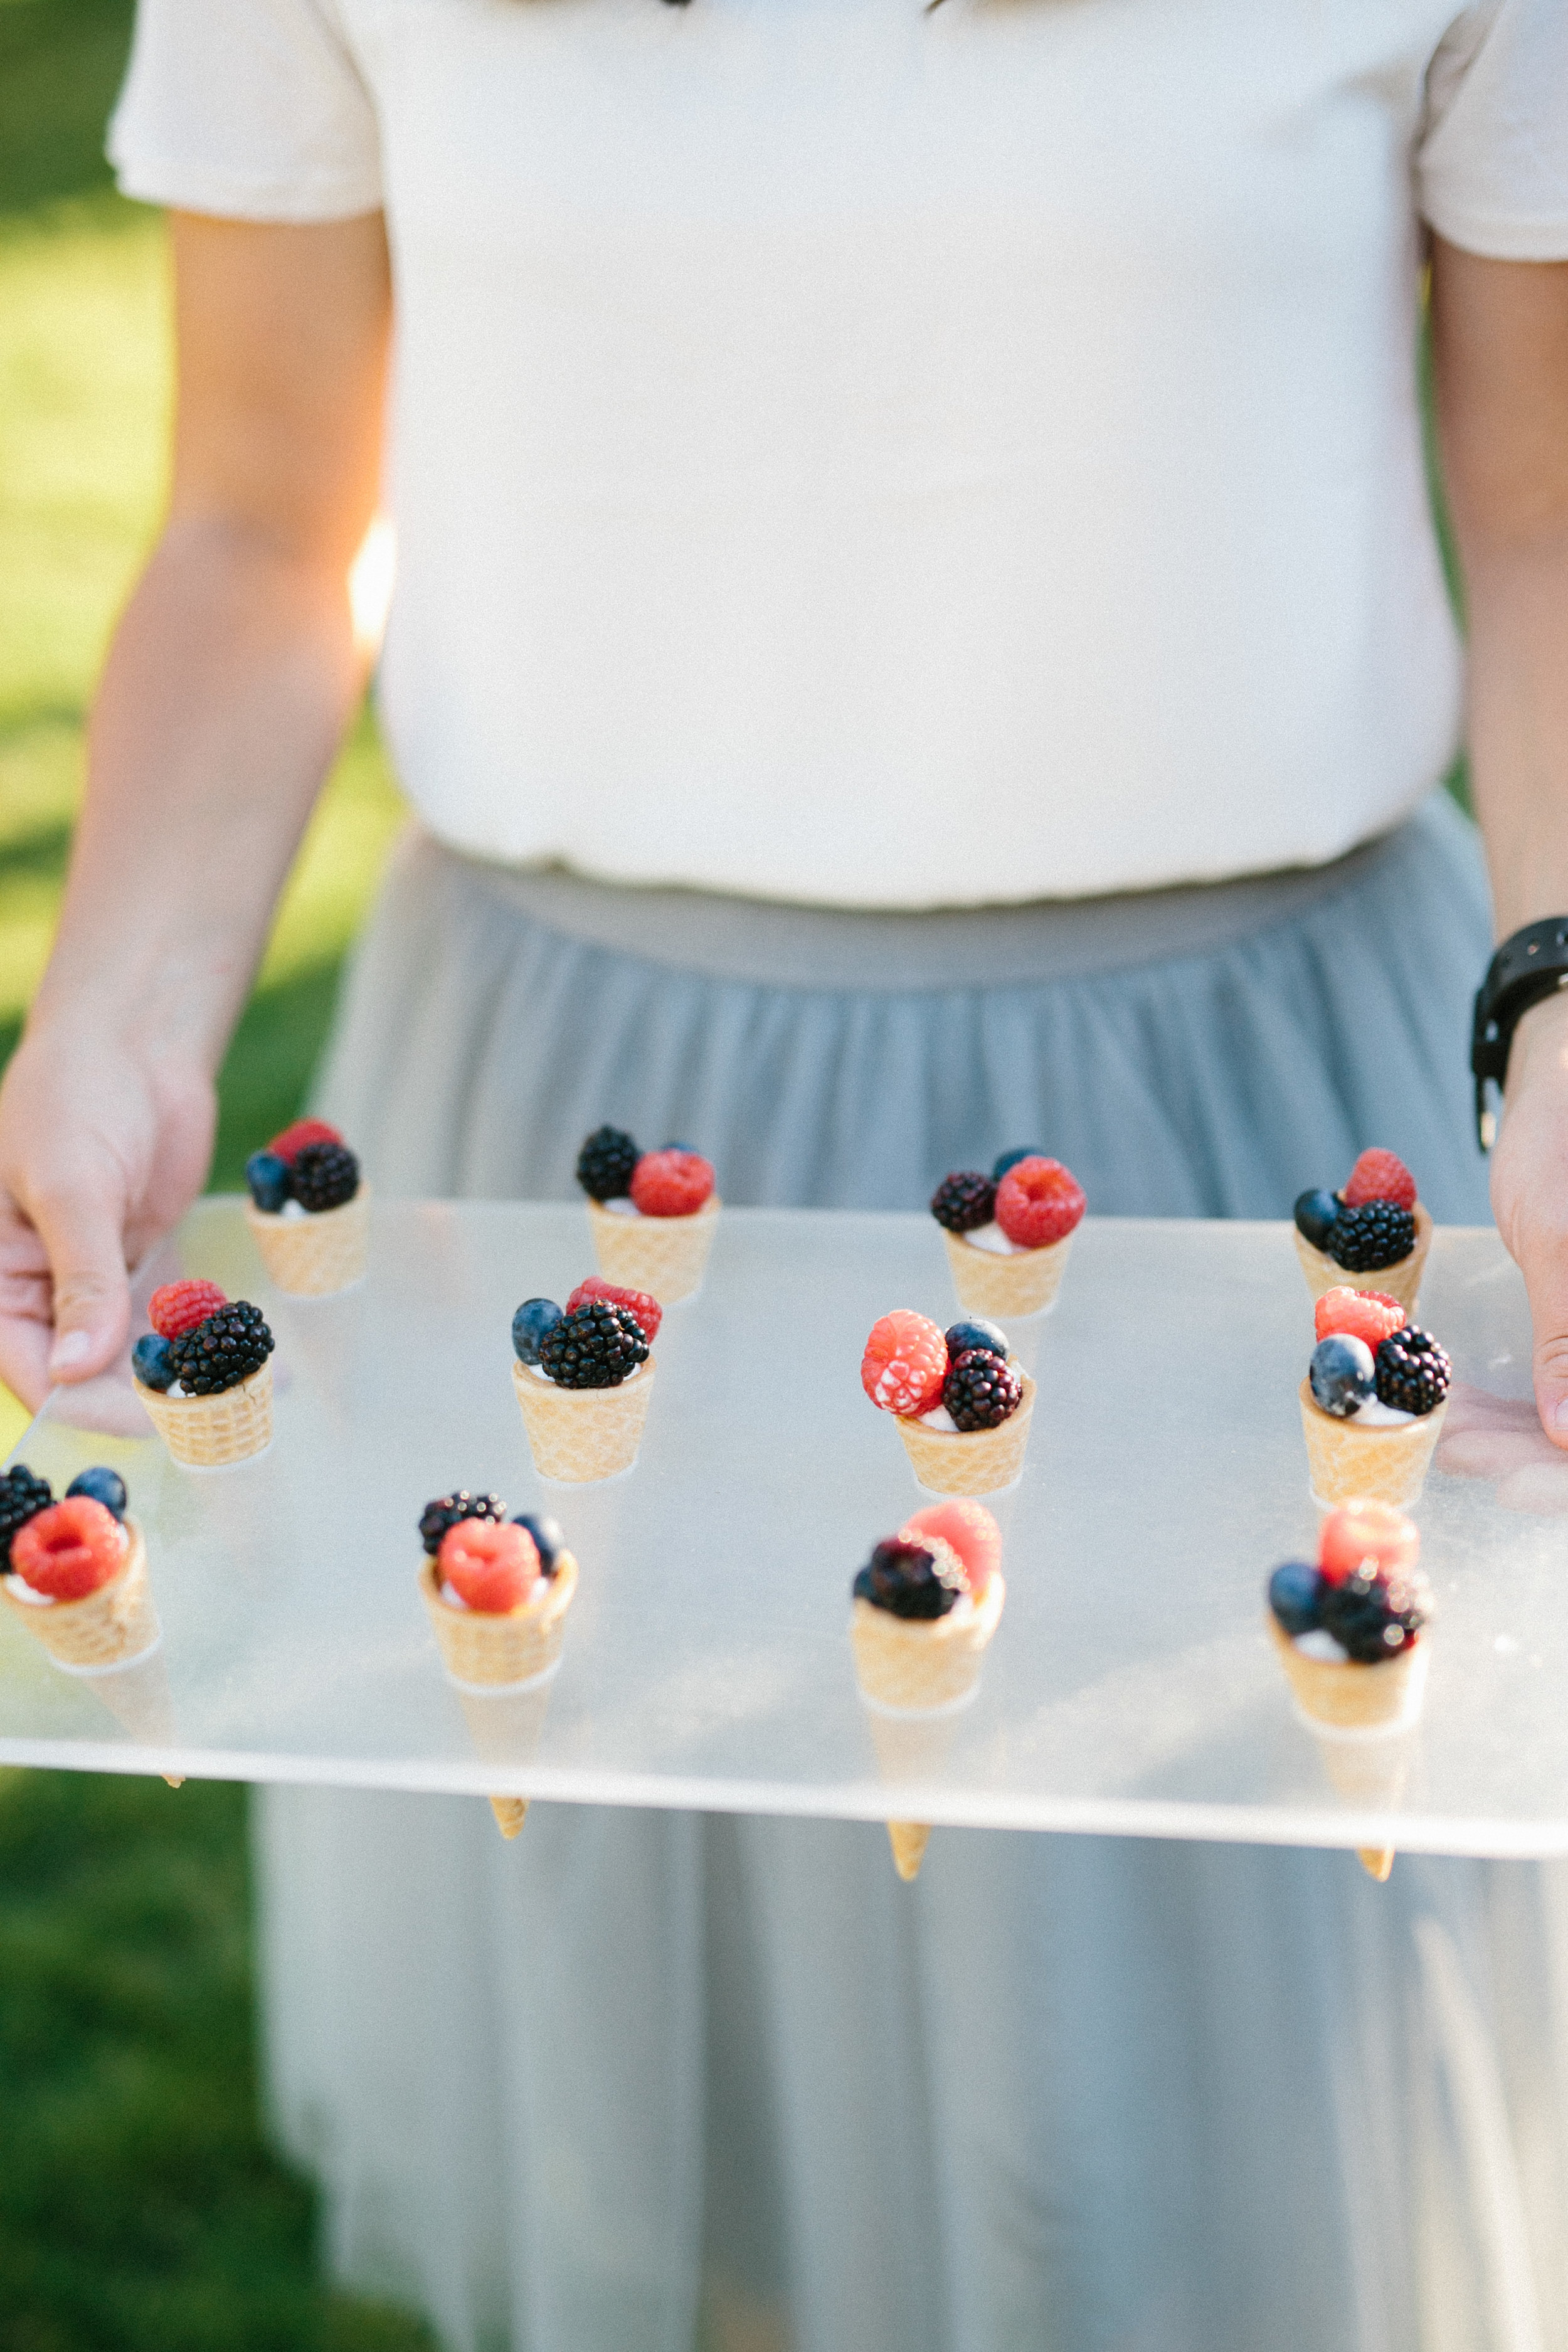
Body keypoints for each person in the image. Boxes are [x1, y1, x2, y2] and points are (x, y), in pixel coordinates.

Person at [2, 0, 1567, 2343]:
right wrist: (114, 1018)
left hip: (1253, 1136)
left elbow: (1545, 514)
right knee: (693, 2098)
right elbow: (259, 512)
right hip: (581, 1135)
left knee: (1232, 2123)